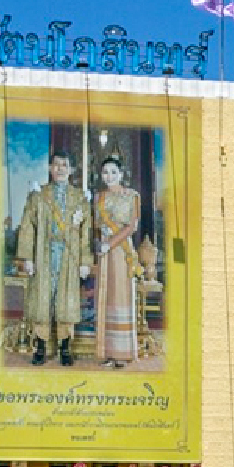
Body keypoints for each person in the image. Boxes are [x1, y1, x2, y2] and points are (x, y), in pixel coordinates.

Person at [12, 151, 91, 366]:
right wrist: (27, 257)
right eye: (56, 165)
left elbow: (86, 232)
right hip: (44, 253)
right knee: (42, 300)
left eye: (65, 165)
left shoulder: (80, 198)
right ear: (50, 168)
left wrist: (85, 261)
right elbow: (28, 227)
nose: (60, 169)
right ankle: (40, 347)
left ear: (71, 170)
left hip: (69, 255)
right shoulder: (38, 195)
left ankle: (65, 348)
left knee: (66, 300)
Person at [92, 155, 142, 369]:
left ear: (121, 174)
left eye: (113, 172)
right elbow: (94, 224)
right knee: (106, 297)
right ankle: (108, 352)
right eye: (105, 172)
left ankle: (123, 353)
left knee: (121, 296)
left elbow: (131, 227)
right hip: (104, 252)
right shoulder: (98, 197)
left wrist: (110, 243)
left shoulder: (132, 196)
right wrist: (98, 241)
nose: (109, 176)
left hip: (121, 251)